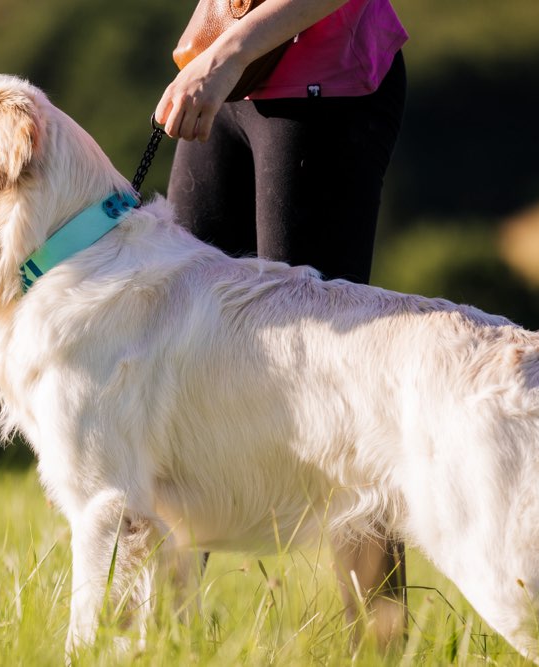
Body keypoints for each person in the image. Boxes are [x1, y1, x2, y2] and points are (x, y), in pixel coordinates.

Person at [154, 0, 409, 642]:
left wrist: (227, 54)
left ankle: (380, 640)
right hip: (231, 69)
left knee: (329, 368)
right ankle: (157, 640)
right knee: (180, 353)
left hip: (322, 81)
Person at [154, 0, 408, 285]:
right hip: (224, 79)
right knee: (187, 298)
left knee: (307, 318)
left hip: (321, 88)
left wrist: (225, 58)